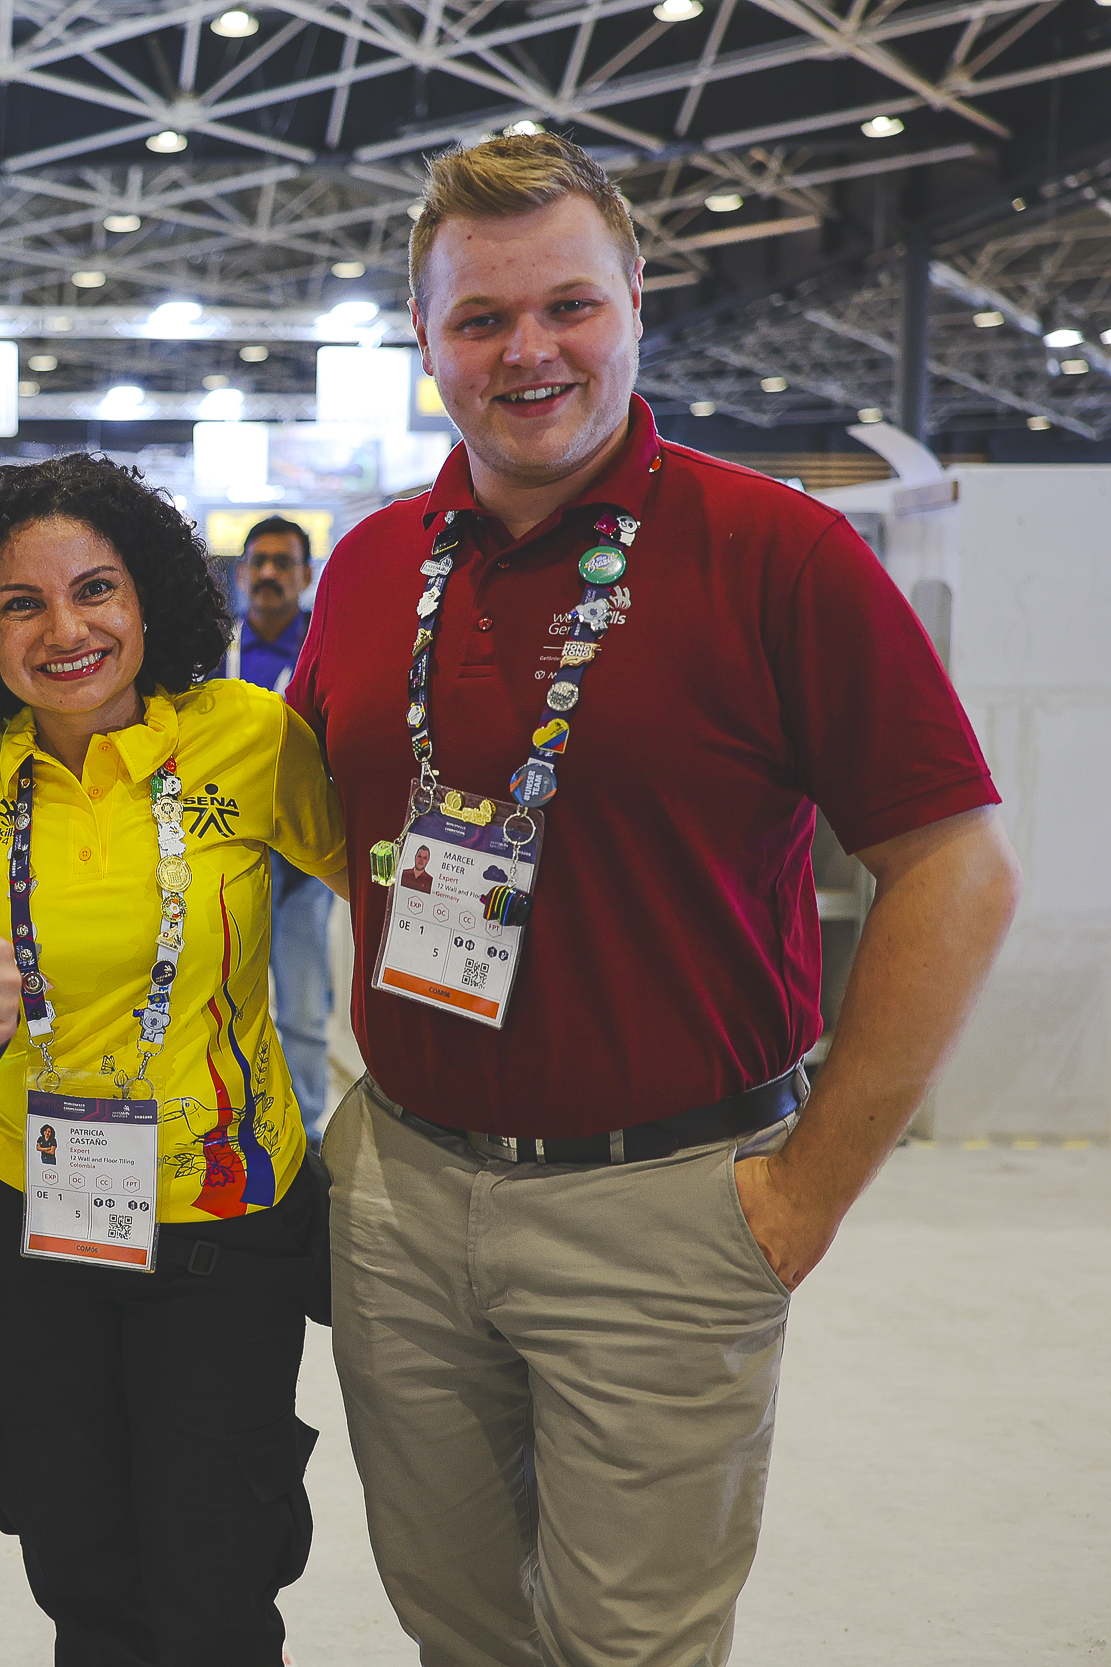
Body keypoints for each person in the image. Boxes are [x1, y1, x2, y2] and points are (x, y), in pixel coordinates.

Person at [286, 131, 1019, 1666]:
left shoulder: (781, 553)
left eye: (568, 304)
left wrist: (810, 1184)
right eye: (479, 319)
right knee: (458, 1627)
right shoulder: (367, 570)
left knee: (631, 1643)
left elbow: (955, 865)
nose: (528, 350)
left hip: (666, 1204)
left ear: (635, 303)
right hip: (406, 1194)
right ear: (424, 342)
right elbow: (277, 834)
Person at [0, 453, 350, 1664]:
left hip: (222, 1217)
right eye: (20, 603)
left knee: (214, 1574)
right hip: (25, 1211)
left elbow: (389, 892)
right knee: (73, 1551)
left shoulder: (249, 738)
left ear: (150, 596)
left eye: (95, 588)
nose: (66, 629)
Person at [224, 515, 338, 1143]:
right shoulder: (215, 656)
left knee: (300, 1001)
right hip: (229, 852)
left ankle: (307, 1139)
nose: (268, 575)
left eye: (282, 564)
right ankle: (232, 1129)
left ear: (305, 576)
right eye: (258, 562)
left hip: (309, 862)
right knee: (221, 996)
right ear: (242, 573)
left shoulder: (328, 651)